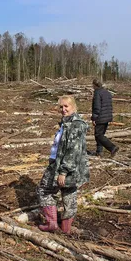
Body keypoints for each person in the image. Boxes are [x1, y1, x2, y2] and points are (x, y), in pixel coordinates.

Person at [36, 95, 89, 234]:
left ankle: (51, 223)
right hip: (64, 165)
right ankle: (66, 229)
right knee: (68, 193)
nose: (63, 109)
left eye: (66, 106)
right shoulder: (66, 123)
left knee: (44, 191)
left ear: (74, 107)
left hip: (62, 166)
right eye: (61, 107)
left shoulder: (75, 125)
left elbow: (73, 150)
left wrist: (63, 172)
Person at [91, 79, 119, 158]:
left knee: (98, 135)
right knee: (100, 135)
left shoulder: (97, 93)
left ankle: (112, 147)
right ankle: (99, 152)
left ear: (95, 85)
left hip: (100, 117)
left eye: (92, 85)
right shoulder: (107, 93)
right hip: (107, 116)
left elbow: (97, 107)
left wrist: (94, 118)